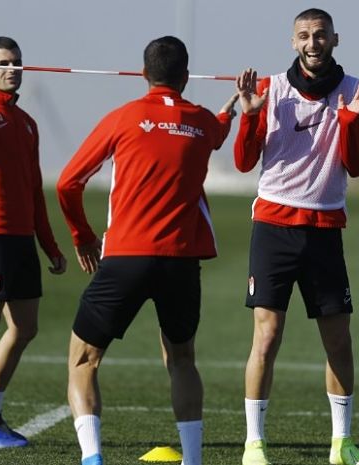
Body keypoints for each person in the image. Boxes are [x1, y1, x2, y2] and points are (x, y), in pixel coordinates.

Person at [57, 36, 237, 465]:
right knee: (182, 360)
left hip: (126, 258)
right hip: (181, 263)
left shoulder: (124, 117)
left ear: (143, 74)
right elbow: (217, 133)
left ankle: (93, 458)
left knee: (83, 361)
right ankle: (193, 460)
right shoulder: (202, 122)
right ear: (186, 77)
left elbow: (67, 183)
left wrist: (82, 236)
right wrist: (231, 111)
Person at [233, 8, 359, 465]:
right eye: (304, 36)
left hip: (324, 229)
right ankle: (254, 444)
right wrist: (249, 117)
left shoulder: (355, 90)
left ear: (335, 39)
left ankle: (342, 444)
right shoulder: (268, 88)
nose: (312, 43)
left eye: (320, 35)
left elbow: (357, 165)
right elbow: (243, 162)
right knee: (267, 336)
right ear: (293, 42)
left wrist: (351, 121)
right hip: (273, 227)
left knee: (338, 339)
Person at [0, 36, 67, 448]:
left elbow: (35, 190)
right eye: (3, 63)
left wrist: (50, 245)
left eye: (17, 62)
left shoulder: (27, 123)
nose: (12, 69)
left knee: (25, 327)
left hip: (22, 237)